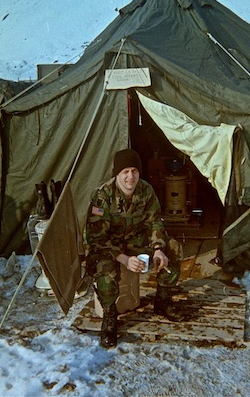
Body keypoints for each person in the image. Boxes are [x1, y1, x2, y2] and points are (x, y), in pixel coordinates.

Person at [85, 148, 183, 348]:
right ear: (117, 174)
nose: (131, 177)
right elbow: (96, 237)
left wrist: (157, 248)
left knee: (172, 247)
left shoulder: (145, 191)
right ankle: (110, 317)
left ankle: (163, 300)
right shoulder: (102, 196)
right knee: (105, 270)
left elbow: (155, 222)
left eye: (134, 171)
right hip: (109, 247)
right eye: (125, 172)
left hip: (136, 242)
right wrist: (123, 258)